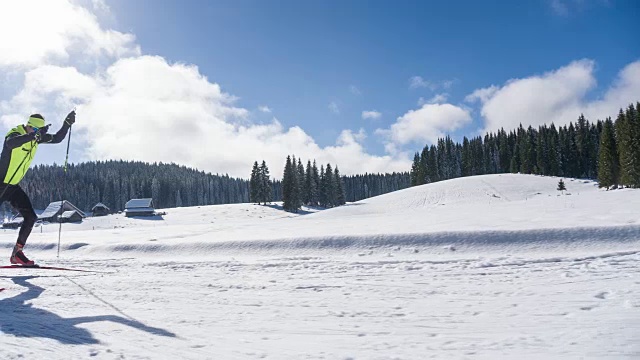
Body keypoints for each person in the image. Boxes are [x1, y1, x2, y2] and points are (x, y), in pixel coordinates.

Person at [1, 111, 76, 265]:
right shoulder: (16, 132)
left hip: (12, 187)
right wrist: (33, 136)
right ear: (29, 126)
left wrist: (66, 124)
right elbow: (10, 143)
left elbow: (57, 138)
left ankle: (17, 253)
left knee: (31, 217)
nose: (36, 134)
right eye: (34, 130)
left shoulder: (36, 138)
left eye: (39, 131)